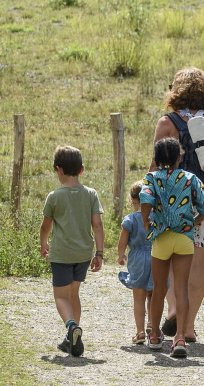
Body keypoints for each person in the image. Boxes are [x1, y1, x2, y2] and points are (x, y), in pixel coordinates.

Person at [151, 67, 204, 342]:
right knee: (198, 263)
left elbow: (155, 167)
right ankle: (189, 327)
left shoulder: (168, 123)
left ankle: (174, 310)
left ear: (176, 91)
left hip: (174, 202)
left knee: (173, 260)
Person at [140, 137, 204, 358]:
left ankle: (154, 336)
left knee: (159, 290)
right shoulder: (191, 178)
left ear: (156, 158)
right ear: (180, 157)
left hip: (161, 238)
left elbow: (145, 199)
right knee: (181, 288)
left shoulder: (151, 178)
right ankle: (179, 338)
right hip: (184, 238)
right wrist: (194, 221)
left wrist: (146, 221)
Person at [39, 145, 105, 357]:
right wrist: (100, 253)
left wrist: (43, 243)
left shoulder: (54, 196)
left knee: (60, 296)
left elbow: (46, 226)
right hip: (83, 254)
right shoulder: (91, 194)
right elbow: (97, 225)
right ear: (82, 169)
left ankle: (70, 326)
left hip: (62, 254)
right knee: (74, 293)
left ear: (58, 169)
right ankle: (71, 340)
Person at [117, 180, 154, 345]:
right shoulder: (155, 217)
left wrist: (121, 255)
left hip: (137, 258)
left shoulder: (130, 219)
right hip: (156, 256)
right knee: (153, 294)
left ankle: (140, 332)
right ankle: (152, 326)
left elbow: (122, 241)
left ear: (133, 199)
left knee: (138, 297)